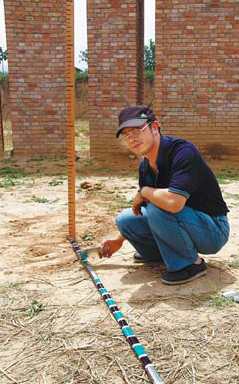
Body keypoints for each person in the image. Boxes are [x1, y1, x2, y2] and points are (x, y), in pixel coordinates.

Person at [99, 105, 230, 285]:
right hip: (183, 221)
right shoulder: (145, 165)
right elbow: (146, 206)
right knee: (125, 220)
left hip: (212, 229)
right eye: (126, 134)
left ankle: (190, 265)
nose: (132, 138)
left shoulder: (183, 152)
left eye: (138, 129)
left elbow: (173, 203)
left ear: (155, 127)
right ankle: (159, 254)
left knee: (158, 207)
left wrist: (144, 192)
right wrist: (119, 239)